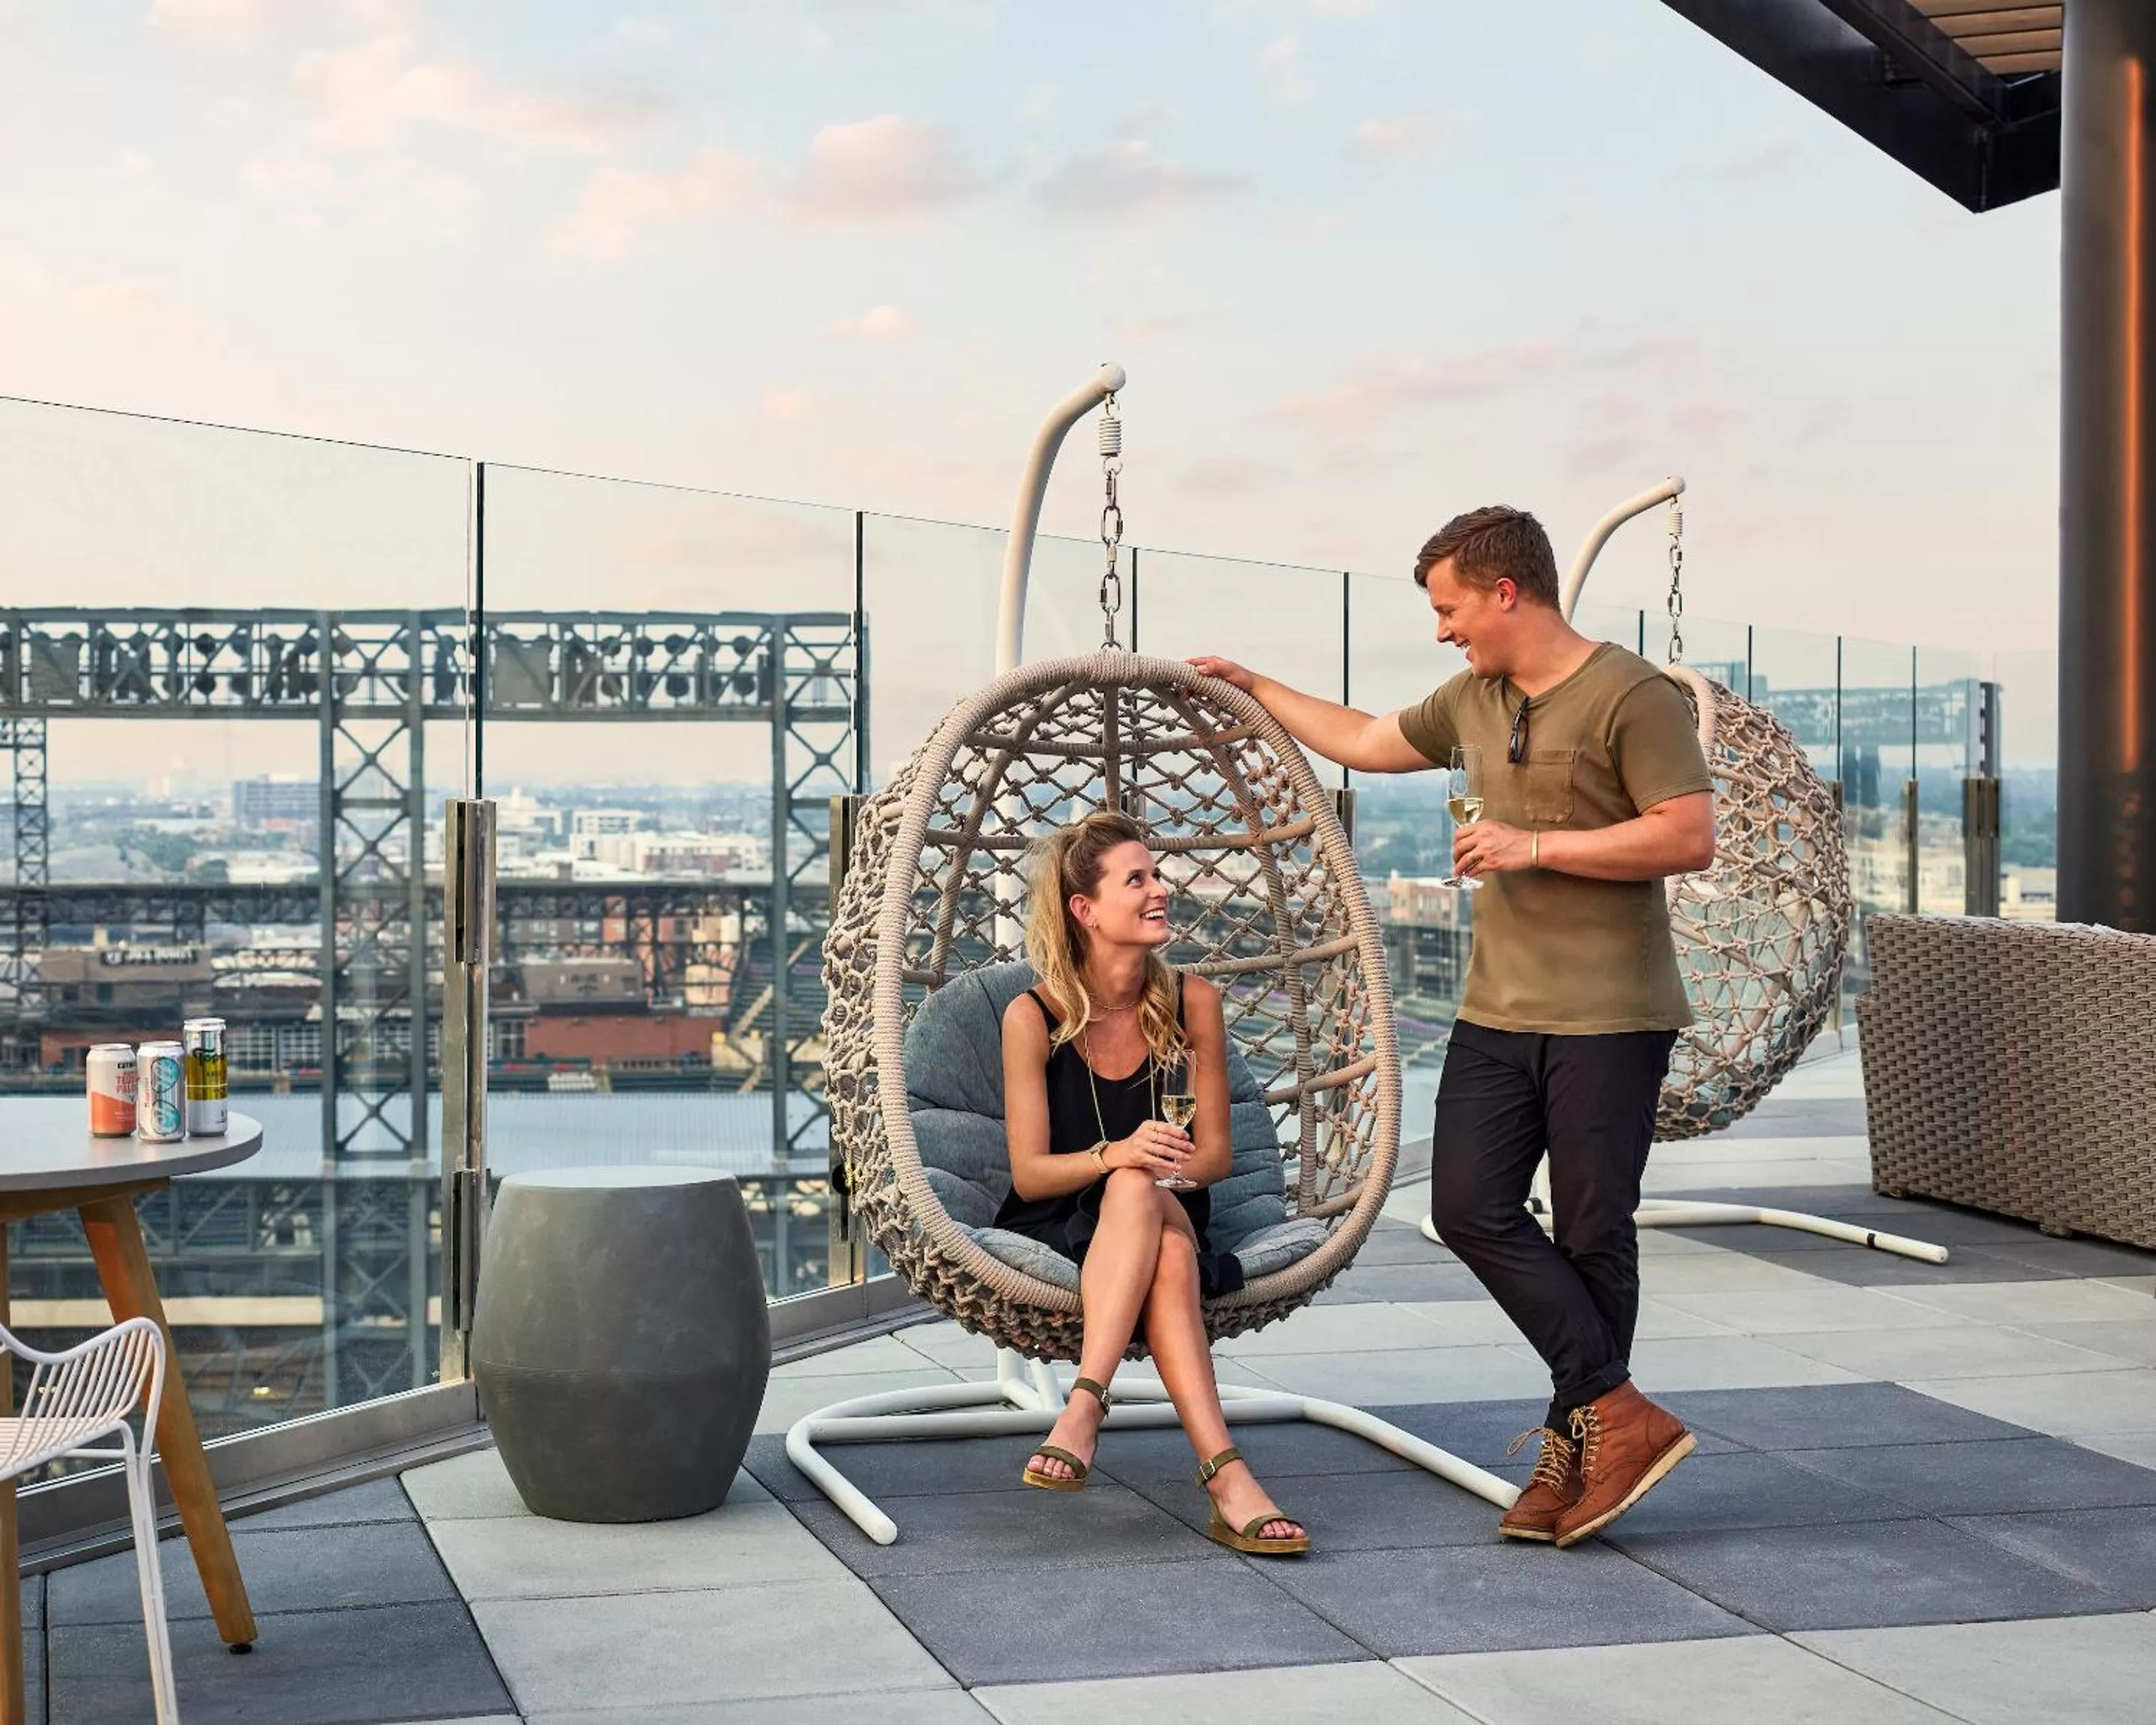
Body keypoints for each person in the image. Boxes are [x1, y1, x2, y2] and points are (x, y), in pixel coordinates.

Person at [1193, 504, 1715, 1548]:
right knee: (1470, 1206)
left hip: (1612, 1017)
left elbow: (1688, 834)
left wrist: (1535, 848)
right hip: (1495, 1011)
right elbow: (1367, 738)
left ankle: (1576, 1451)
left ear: (1505, 592)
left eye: (1450, 609)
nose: (1442, 631)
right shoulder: (1472, 700)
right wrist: (1257, 687)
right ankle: (1619, 1414)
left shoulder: (1633, 696)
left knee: (1594, 1234)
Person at [997, 809, 1308, 1557]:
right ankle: (1226, 1476)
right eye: (1137, 879)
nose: (1160, 889)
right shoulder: (1031, 1017)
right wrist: (1118, 1155)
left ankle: (1084, 1405)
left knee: (1144, 1192)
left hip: (1171, 1204)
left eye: (1157, 874)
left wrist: (1149, 1166)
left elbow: (1215, 1158)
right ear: (1086, 910)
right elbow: (1030, 1176)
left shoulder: (1193, 1002)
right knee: (1145, 1207)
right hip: (1066, 1223)